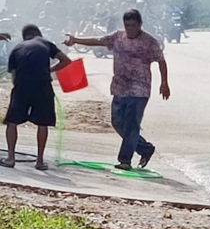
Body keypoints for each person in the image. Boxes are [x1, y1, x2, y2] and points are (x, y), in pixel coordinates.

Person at [65, 9, 170, 170]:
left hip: (139, 90)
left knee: (132, 125)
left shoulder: (149, 41)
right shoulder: (118, 37)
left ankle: (125, 160)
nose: (130, 29)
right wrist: (76, 40)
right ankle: (145, 149)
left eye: (133, 26)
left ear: (140, 25)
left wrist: (164, 83)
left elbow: (161, 61)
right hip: (120, 88)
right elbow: (98, 40)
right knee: (117, 122)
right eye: (127, 25)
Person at [1, 25, 71, 170]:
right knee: (42, 123)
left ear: (24, 36)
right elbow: (66, 61)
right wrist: (50, 70)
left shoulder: (17, 48)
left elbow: (13, 75)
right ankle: (39, 161)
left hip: (22, 86)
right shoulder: (46, 43)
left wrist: (20, 87)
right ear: (38, 33)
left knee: (12, 122)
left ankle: (10, 158)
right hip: (43, 86)